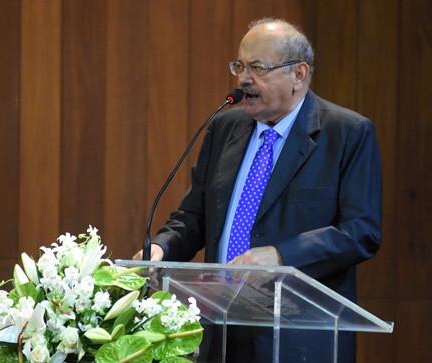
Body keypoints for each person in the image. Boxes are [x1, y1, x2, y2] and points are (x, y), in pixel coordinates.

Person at [133, 17, 382, 362]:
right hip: (218, 333)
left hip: (298, 340)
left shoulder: (346, 133)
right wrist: (161, 249)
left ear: (299, 75)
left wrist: (281, 256)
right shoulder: (224, 127)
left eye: (257, 68)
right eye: (239, 66)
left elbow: (360, 232)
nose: (243, 79)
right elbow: (194, 216)